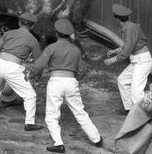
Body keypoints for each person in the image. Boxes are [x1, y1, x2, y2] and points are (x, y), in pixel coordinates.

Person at [30, 19, 103, 153]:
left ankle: (58, 143)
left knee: (52, 115)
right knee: (80, 112)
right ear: (69, 35)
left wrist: (33, 75)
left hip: (55, 82)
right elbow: (83, 69)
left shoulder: (51, 48)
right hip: (71, 82)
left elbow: (38, 65)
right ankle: (97, 139)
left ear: (56, 34)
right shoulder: (75, 49)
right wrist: (77, 79)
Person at [0, 12, 43, 131]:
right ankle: (29, 123)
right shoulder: (33, 40)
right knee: (30, 95)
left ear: (19, 22)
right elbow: (39, 63)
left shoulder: (8, 33)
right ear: (32, 26)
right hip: (12, 67)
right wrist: (36, 75)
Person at [103, 4, 152, 114]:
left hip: (141, 61)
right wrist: (116, 50)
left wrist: (112, 60)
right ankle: (131, 110)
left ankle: (145, 115)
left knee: (136, 92)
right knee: (122, 80)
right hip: (138, 60)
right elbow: (130, 45)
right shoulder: (130, 26)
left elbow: (126, 51)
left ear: (116, 18)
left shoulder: (129, 28)